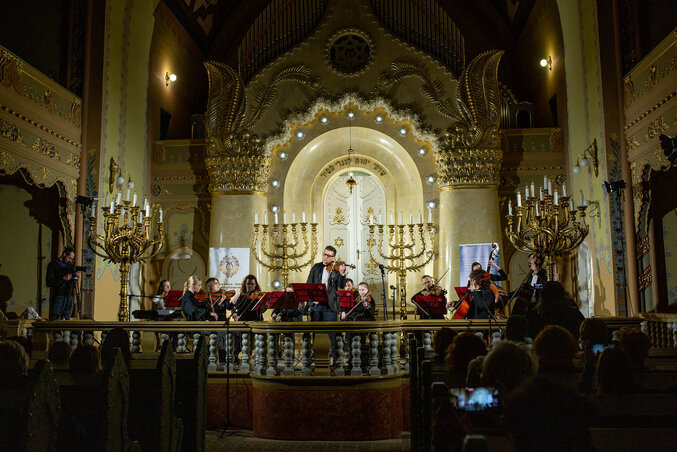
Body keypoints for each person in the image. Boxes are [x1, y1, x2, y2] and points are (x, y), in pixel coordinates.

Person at [46, 247, 80, 320]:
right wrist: (63, 278)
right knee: (55, 319)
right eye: (69, 258)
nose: (70, 260)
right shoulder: (52, 265)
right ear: (64, 254)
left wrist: (76, 276)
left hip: (69, 295)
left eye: (72, 259)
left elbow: (73, 281)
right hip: (59, 295)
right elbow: (49, 282)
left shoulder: (69, 266)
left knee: (67, 319)